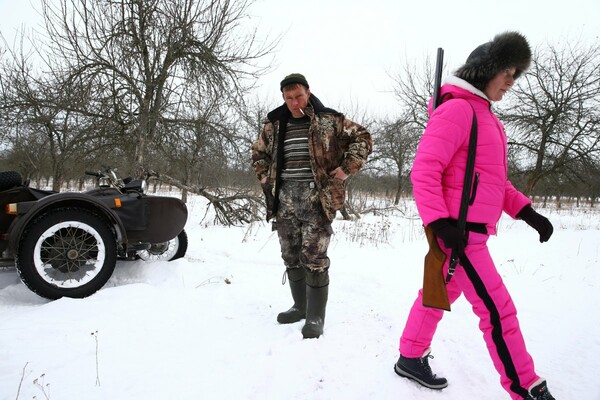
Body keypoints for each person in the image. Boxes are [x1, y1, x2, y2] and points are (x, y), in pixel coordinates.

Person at [393, 32, 556, 400]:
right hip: (459, 234)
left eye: (516, 75)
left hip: (469, 231)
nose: (512, 83)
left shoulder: (487, 118)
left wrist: (527, 212)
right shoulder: (457, 110)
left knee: (435, 295)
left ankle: (409, 356)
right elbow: (424, 171)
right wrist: (440, 224)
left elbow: (494, 182)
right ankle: (525, 387)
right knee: (498, 312)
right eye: (508, 74)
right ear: (487, 71)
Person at [251, 73, 372, 339]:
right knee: (290, 256)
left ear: (308, 92)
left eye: (299, 96)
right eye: (289, 98)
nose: (295, 102)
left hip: (317, 199)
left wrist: (346, 169)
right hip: (284, 200)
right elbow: (258, 153)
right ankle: (300, 306)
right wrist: (263, 175)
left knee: (314, 258)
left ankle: (316, 317)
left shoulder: (329, 120)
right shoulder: (274, 125)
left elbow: (362, 137)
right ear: (283, 98)